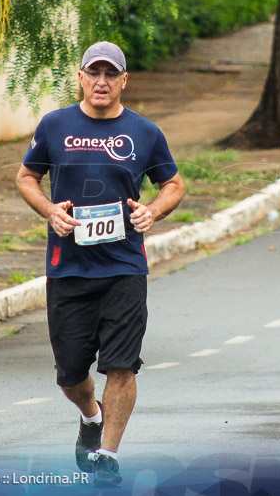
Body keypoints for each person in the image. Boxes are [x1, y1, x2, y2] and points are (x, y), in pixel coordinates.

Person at [16, 41, 185, 487]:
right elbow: (26, 177)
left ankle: (107, 455)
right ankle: (90, 415)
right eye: (94, 73)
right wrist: (50, 211)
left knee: (122, 365)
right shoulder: (55, 126)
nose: (102, 82)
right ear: (81, 77)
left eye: (111, 74)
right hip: (68, 268)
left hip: (125, 267)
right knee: (71, 374)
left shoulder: (144, 132)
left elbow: (172, 183)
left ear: (124, 80)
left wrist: (155, 210)